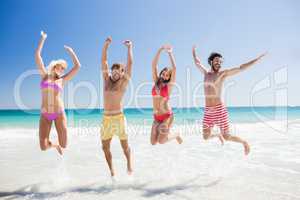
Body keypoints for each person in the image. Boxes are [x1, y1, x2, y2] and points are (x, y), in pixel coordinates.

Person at [192, 46, 267, 155]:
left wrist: (256, 60)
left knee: (227, 137)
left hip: (219, 110)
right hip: (208, 111)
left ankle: (244, 142)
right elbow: (197, 63)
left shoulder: (223, 74)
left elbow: (241, 68)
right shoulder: (206, 74)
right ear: (211, 61)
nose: (219, 63)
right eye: (217, 61)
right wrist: (194, 53)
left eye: (220, 61)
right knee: (205, 137)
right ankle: (217, 135)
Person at [35, 31, 81, 155]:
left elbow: (77, 66)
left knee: (64, 144)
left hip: (59, 113)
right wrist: (43, 39)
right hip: (45, 114)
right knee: (43, 147)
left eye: (63, 69)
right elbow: (37, 55)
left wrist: (71, 51)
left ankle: (59, 145)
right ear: (54, 67)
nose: (61, 70)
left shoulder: (62, 80)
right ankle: (54, 145)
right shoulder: (45, 76)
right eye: (59, 67)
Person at [100, 36, 133, 177]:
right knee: (105, 147)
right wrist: (106, 45)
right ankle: (112, 171)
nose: (114, 72)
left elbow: (130, 64)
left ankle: (129, 164)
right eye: (113, 70)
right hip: (106, 119)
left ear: (122, 73)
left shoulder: (123, 83)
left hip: (119, 118)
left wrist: (130, 48)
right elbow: (104, 61)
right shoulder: (106, 80)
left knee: (124, 147)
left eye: (117, 70)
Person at [151, 45, 183, 145]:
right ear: (161, 74)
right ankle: (172, 134)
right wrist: (160, 50)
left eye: (167, 75)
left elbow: (175, 68)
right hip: (156, 117)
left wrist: (170, 53)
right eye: (163, 74)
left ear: (169, 77)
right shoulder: (156, 82)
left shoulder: (169, 86)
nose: (164, 76)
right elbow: (153, 65)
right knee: (153, 142)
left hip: (166, 116)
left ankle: (176, 134)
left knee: (161, 141)